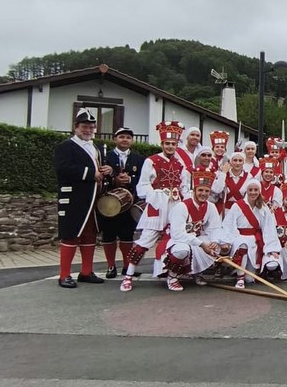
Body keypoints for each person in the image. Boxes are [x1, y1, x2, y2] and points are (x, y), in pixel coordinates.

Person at [120, 121, 190, 292]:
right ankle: (128, 275)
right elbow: (142, 186)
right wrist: (156, 196)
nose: (170, 146)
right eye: (167, 143)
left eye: (173, 144)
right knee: (144, 241)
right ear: (162, 144)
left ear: (177, 145)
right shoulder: (151, 161)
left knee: (177, 240)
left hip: (175, 207)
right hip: (157, 206)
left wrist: (186, 202)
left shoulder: (181, 165)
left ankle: (172, 276)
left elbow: (185, 187)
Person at [53, 108, 113, 288]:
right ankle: (64, 275)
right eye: (85, 127)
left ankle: (86, 272)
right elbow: (63, 168)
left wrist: (107, 170)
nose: (88, 130)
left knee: (89, 236)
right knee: (70, 235)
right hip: (74, 198)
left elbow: (99, 170)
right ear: (76, 127)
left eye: (91, 127)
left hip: (92, 198)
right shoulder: (65, 146)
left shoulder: (95, 147)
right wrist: (90, 173)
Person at [163, 167, 226, 291]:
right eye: (200, 190)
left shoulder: (211, 206)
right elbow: (177, 234)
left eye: (206, 191)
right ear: (194, 190)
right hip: (176, 241)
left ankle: (197, 272)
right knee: (182, 250)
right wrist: (202, 244)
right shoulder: (181, 206)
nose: (203, 194)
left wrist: (214, 241)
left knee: (215, 245)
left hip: (195, 238)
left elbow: (214, 228)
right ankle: (172, 277)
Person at [100, 127, 146, 279]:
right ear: (115, 139)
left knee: (127, 236)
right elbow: (100, 177)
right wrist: (114, 179)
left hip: (129, 203)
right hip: (109, 203)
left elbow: (144, 179)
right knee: (109, 236)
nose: (125, 140)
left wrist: (131, 180)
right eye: (121, 137)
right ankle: (111, 266)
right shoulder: (105, 157)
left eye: (128, 137)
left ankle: (127, 266)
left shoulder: (139, 159)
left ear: (132, 141)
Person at [221, 179, 281, 288]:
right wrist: (228, 241)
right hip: (239, 238)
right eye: (250, 190)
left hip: (254, 240)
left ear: (259, 191)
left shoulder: (263, 207)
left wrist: (272, 248)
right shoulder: (237, 205)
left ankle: (241, 272)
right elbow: (228, 224)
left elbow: (269, 228)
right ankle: (239, 278)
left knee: (250, 279)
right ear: (246, 191)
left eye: (256, 190)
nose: (253, 192)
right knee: (242, 244)